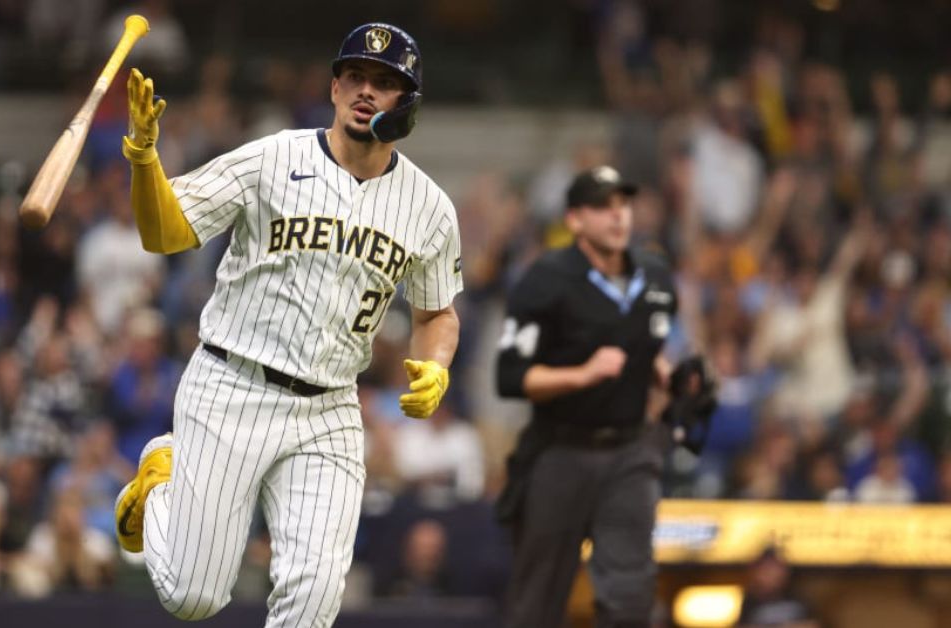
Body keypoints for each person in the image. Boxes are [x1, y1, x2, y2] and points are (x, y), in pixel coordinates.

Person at [113, 22, 462, 627]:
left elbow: (437, 313)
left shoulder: (429, 206)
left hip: (329, 410)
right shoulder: (273, 157)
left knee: (317, 593)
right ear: (333, 87)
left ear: (407, 105)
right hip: (232, 387)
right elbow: (163, 233)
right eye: (355, 76)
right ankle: (161, 484)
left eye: (385, 83)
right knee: (194, 597)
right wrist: (146, 160)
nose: (365, 91)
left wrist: (437, 364)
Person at [495, 166, 679, 628]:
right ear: (575, 220)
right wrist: (582, 374)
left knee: (630, 596)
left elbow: (649, 344)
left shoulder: (655, 277)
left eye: (623, 205)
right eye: (602, 207)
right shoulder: (547, 277)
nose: (617, 217)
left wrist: (661, 371)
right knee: (537, 599)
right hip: (561, 449)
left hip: (631, 451)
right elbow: (511, 377)